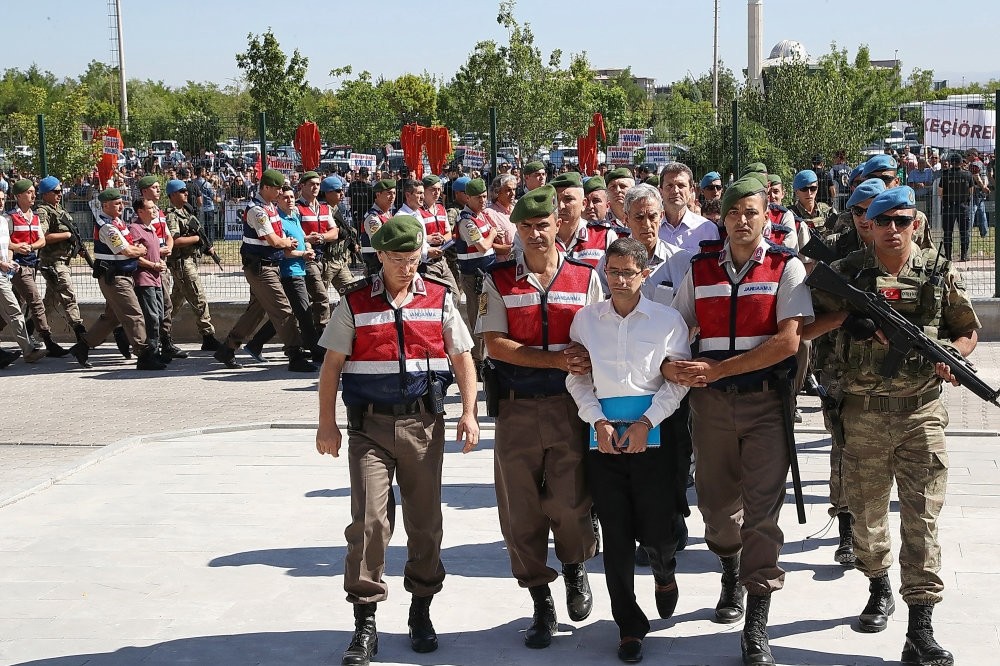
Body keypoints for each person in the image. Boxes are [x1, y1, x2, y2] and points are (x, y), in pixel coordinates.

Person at [806, 186, 979, 666]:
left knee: (922, 520)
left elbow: (966, 330)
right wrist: (848, 319)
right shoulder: (845, 275)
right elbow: (801, 327)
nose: (894, 229)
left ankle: (920, 627)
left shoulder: (937, 272)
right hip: (862, 414)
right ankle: (878, 585)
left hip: (921, 412)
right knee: (866, 518)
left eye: (903, 221)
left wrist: (952, 357)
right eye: (884, 221)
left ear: (916, 224)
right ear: (869, 225)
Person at [315, 214, 480, 666]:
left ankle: (421, 609)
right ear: (381, 256)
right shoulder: (354, 302)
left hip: (423, 427)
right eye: (400, 259)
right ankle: (365, 624)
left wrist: (469, 411)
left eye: (415, 258)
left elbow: (462, 357)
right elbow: (331, 365)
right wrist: (325, 422)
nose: (409, 266)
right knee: (369, 522)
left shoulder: (441, 299)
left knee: (425, 523)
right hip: (368, 426)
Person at [666, 175, 814, 666]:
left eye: (752, 212)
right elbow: (678, 325)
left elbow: (788, 340)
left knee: (762, 513)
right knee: (715, 505)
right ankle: (728, 565)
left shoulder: (784, 267)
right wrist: (673, 364)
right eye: (735, 213)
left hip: (766, 405)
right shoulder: (700, 267)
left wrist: (719, 369)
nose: (743, 220)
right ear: (722, 217)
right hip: (708, 407)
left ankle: (756, 617)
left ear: (766, 215)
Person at [478, 185, 602, 650]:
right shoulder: (498, 279)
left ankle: (574, 569)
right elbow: (496, 344)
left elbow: (598, 335)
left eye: (542, 225)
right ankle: (539, 600)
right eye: (526, 226)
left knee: (571, 503)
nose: (534, 234)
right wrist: (554, 360)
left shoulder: (585, 276)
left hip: (571, 407)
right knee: (521, 511)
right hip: (515, 408)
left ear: (558, 226)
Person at [567, 236, 690, 663]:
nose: (620, 280)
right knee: (615, 536)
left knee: (658, 528)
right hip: (603, 439)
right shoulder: (586, 320)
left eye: (628, 272)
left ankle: (664, 569)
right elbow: (578, 376)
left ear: (645, 273)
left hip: (654, 436)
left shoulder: (667, 320)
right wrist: (596, 420)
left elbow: (677, 380)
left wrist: (646, 423)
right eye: (613, 271)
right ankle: (629, 625)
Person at [212, 169, 315, 373]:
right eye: (276, 188)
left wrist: (290, 243)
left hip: (270, 266)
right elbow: (274, 240)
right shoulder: (257, 211)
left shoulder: (270, 207)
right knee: (283, 310)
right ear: (265, 187)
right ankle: (294, 355)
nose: (279, 192)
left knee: (256, 313)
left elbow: (279, 237)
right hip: (262, 269)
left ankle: (228, 349)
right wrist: (286, 242)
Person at [68, 188, 165, 371]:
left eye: (121, 202)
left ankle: (82, 346)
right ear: (105, 205)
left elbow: (130, 245)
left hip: (123, 276)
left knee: (112, 318)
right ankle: (144, 355)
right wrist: (141, 251)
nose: (121, 206)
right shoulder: (107, 227)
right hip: (116, 278)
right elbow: (128, 250)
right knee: (134, 314)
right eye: (117, 203)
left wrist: (135, 249)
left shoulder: (117, 222)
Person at [245, 185, 323, 362]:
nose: (290, 200)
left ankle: (255, 344)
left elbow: (301, 238)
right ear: (278, 200)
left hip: (300, 269)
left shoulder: (293, 215)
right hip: (289, 271)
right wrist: (303, 253)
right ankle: (315, 352)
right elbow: (284, 249)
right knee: (303, 313)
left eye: (291, 197)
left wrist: (308, 243)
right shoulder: (277, 220)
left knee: (288, 313)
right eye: (285, 197)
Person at [5, 179, 68, 358]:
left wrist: (31, 247)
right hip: (18, 266)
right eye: (29, 192)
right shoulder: (10, 218)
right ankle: (47, 340)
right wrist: (17, 247)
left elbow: (42, 239)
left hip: (32, 264)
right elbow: (4, 241)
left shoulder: (34, 217)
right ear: (18, 196)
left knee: (14, 305)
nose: (33, 195)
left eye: (33, 192)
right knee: (36, 301)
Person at [162, 179, 221, 352]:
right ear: (172, 195)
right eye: (181, 191)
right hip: (182, 263)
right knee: (198, 297)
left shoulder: (186, 212)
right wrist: (196, 239)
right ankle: (208, 336)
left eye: (186, 191)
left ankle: (159, 330)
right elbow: (174, 239)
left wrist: (205, 246)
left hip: (189, 261)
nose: (186, 193)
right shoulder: (172, 216)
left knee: (175, 302)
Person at [35, 176, 88, 343]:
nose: (59, 194)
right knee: (68, 296)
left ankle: (32, 332)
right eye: (56, 191)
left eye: (60, 191)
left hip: (64, 261)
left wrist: (76, 246)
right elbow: (42, 236)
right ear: (45, 194)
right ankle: (81, 334)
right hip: (53, 263)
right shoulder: (43, 211)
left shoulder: (60, 211)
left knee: (50, 303)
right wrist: (66, 235)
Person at [0, 187, 45, 366]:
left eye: (2, 198)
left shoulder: (3, 221)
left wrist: (9, 262)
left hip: (4, 274)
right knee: (14, 311)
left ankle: (28, 350)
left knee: (12, 311)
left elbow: (7, 247)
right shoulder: (8, 219)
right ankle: (28, 350)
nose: (1, 202)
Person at [455, 178, 496, 367]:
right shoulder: (467, 222)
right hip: (474, 276)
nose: (483, 201)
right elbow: (483, 246)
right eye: (478, 197)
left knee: (487, 315)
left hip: (487, 273)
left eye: (485, 196)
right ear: (468, 198)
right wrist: (494, 234)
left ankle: (484, 356)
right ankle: (476, 360)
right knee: (478, 317)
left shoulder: (481, 215)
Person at [294, 171, 336, 332]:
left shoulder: (325, 208)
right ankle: (323, 333)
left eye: (318, 184)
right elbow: (293, 234)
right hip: (306, 259)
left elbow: (335, 232)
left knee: (313, 298)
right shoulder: (297, 208)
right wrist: (307, 239)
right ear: (302, 186)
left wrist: (322, 237)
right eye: (311, 184)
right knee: (321, 297)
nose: (315, 187)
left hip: (323, 257)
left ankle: (308, 336)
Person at [129, 198, 169, 362]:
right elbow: (136, 256)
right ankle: (150, 354)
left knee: (159, 316)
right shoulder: (135, 229)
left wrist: (161, 260)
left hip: (156, 279)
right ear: (140, 211)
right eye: (150, 208)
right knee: (152, 317)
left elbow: (152, 251)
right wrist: (153, 265)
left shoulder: (151, 229)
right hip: (144, 280)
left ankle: (156, 350)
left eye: (154, 207)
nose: (154, 210)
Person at [551, 172, 616, 267]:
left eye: (568, 199)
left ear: (583, 204)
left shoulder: (605, 237)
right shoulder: (541, 236)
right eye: (555, 200)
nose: (560, 206)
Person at [657, 163, 720, 252]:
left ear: (691, 191)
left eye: (681, 185)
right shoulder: (650, 228)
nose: (675, 191)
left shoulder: (707, 230)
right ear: (660, 191)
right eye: (669, 186)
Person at [319, 175, 359, 293]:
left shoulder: (337, 208)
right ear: (327, 193)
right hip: (325, 261)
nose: (342, 194)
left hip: (340, 260)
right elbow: (337, 232)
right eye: (338, 191)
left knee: (352, 293)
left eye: (342, 190)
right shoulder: (321, 210)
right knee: (319, 299)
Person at [938, 154, 974, 261]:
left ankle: (948, 256)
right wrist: (966, 200)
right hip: (963, 206)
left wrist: (945, 201)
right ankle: (963, 255)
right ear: (961, 162)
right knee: (964, 232)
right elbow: (971, 190)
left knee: (948, 232)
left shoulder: (945, 175)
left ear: (950, 163)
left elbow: (940, 191)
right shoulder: (967, 174)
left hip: (949, 206)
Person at [360, 179, 395, 275]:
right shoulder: (373, 218)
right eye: (388, 193)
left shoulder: (387, 214)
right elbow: (379, 242)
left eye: (394, 193)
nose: (392, 197)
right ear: (378, 195)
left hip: (387, 264)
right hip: (377, 265)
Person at [790, 169, 838, 238]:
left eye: (813, 188)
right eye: (804, 189)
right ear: (796, 191)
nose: (809, 193)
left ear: (817, 189)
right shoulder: (791, 214)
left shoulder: (827, 211)